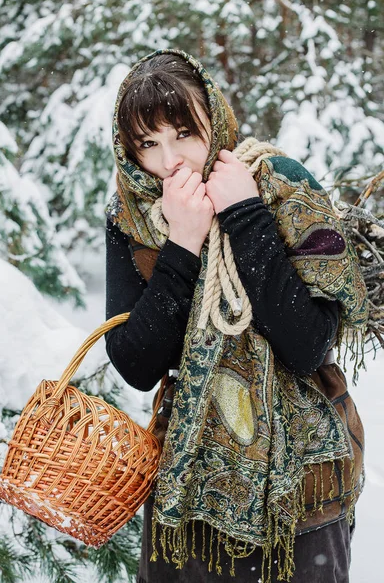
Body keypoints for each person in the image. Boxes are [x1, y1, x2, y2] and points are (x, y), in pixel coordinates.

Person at [104, 49, 369, 583]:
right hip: (187, 487)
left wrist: (245, 215)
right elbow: (135, 364)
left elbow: (309, 345)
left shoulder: (279, 184)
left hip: (301, 493)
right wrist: (182, 243)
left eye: (184, 134)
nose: (170, 161)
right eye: (149, 144)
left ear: (214, 119)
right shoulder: (131, 216)